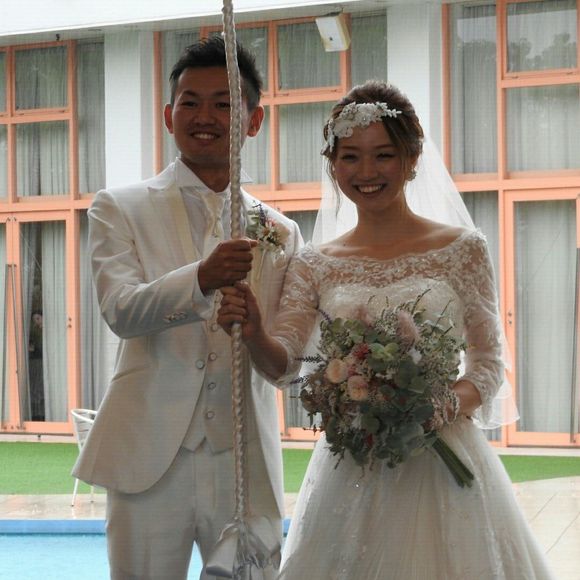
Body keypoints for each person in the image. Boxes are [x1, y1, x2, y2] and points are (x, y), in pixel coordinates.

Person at [218, 81, 556, 579]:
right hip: (352, 467)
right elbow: (284, 365)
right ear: (333, 164)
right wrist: (253, 332)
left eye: (383, 155)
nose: (366, 172)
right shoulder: (314, 263)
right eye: (350, 157)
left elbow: (487, 366)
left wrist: (432, 409)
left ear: (411, 159)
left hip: (442, 460)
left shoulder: (462, 249)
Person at [72, 37, 302, 580]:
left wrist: (258, 332)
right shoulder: (118, 208)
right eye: (190, 102)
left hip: (243, 461)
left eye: (224, 104)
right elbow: (121, 311)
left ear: (253, 120)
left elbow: (288, 366)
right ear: (168, 116)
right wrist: (201, 278)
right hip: (149, 458)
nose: (205, 116)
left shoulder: (282, 231)